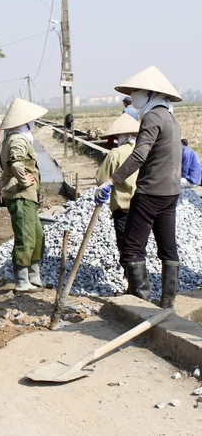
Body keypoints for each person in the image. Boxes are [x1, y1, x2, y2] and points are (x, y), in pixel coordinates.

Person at [95, 66, 182, 308]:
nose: (133, 97)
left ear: (151, 94)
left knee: (132, 249)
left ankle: (141, 305)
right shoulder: (171, 118)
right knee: (168, 247)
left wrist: (112, 180)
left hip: (150, 192)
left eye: (137, 92)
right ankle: (168, 304)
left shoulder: (152, 117)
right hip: (171, 192)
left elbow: (138, 155)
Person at [0, 98, 48, 293]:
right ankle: (22, 280)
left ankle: (34, 276)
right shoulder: (18, 139)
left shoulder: (16, 137)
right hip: (20, 195)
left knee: (37, 235)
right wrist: (23, 181)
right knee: (26, 237)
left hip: (27, 195)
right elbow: (15, 162)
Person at [95, 114, 140, 258]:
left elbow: (101, 178)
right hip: (143, 206)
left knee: (125, 245)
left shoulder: (117, 153)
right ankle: (139, 276)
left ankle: (130, 276)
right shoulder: (144, 151)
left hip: (124, 208)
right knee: (138, 245)